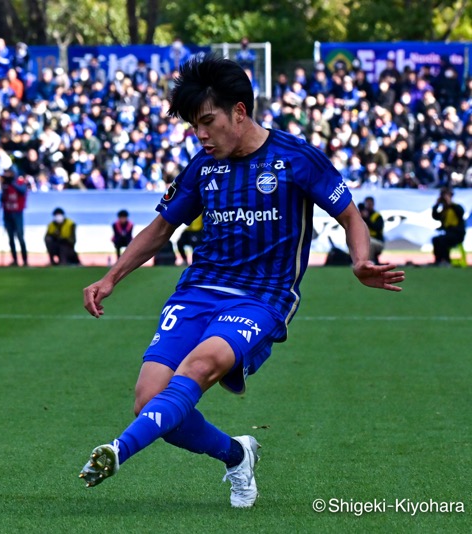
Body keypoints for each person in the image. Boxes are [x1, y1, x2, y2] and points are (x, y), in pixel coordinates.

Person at [78, 54, 405, 507]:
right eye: (194, 126)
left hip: (262, 297)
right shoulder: (202, 166)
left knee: (198, 366)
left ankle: (118, 450)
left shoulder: (296, 158)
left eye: (208, 122)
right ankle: (237, 455)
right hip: (197, 292)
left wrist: (360, 261)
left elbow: (351, 216)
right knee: (148, 400)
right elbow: (159, 229)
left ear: (239, 111)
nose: (201, 135)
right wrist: (111, 278)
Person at [431, 187, 466, 266]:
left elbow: (461, 213)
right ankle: (438, 260)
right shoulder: (444, 210)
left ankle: (447, 261)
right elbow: (435, 216)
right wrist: (436, 205)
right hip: (448, 233)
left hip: (457, 234)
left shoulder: (456, 207)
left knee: (444, 240)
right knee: (436, 240)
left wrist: (449, 202)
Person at [1, 169, 28, 266]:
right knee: (11, 238)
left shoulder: (20, 182)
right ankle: (15, 260)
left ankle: (25, 260)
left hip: (17, 213)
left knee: (20, 237)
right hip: (7, 213)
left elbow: (23, 191)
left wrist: (12, 183)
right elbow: (2, 198)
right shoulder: (5, 185)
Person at [358, 197, 384, 264]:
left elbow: (378, 228)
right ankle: (356, 261)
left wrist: (367, 219)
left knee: (370, 242)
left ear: (373, 204)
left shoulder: (377, 216)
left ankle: (369, 262)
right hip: (365, 240)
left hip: (377, 241)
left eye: (370, 203)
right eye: (367, 203)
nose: (368, 205)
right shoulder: (361, 216)